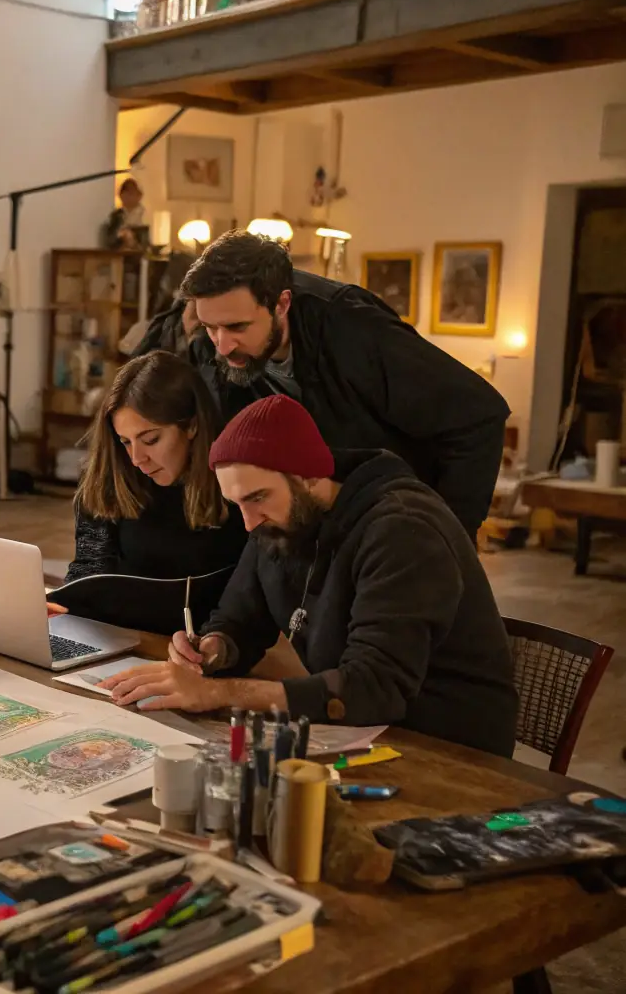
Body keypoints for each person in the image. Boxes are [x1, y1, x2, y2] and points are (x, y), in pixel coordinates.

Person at [101, 395, 518, 757]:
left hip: (451, 748)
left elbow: (371, 689)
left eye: (257, 498)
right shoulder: (280, 519)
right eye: (237, 503)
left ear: (310, 475)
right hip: (365, 731)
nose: (248, 523)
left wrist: (216, 692)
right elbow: (239, 618)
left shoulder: (402, 531)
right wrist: (212, 649)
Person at [139, 230, 509, 539]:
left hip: (402, 519)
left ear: (282, 304)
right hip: (325, 526)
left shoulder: (353, 329)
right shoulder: (219, 348)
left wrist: (449, 534)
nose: (222, 345)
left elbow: (479, 415)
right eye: (210, 327)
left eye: (237, 327)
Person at [64, 351, 246, 626]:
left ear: (192, 426)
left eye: (151, 439)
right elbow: (89, 575)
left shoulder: (235, 487)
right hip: (117, 637)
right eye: (125, 441)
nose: (137, 459)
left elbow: (245, 603)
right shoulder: (111, 474)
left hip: (201, 645)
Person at [99, 178, 147, 250]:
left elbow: (147, 241)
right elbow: (110, 240)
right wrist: (122, 236)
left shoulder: (144, 214)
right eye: (127, 193)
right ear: (121, 196)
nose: (129, 197)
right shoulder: (117, 216)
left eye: (132, 193)